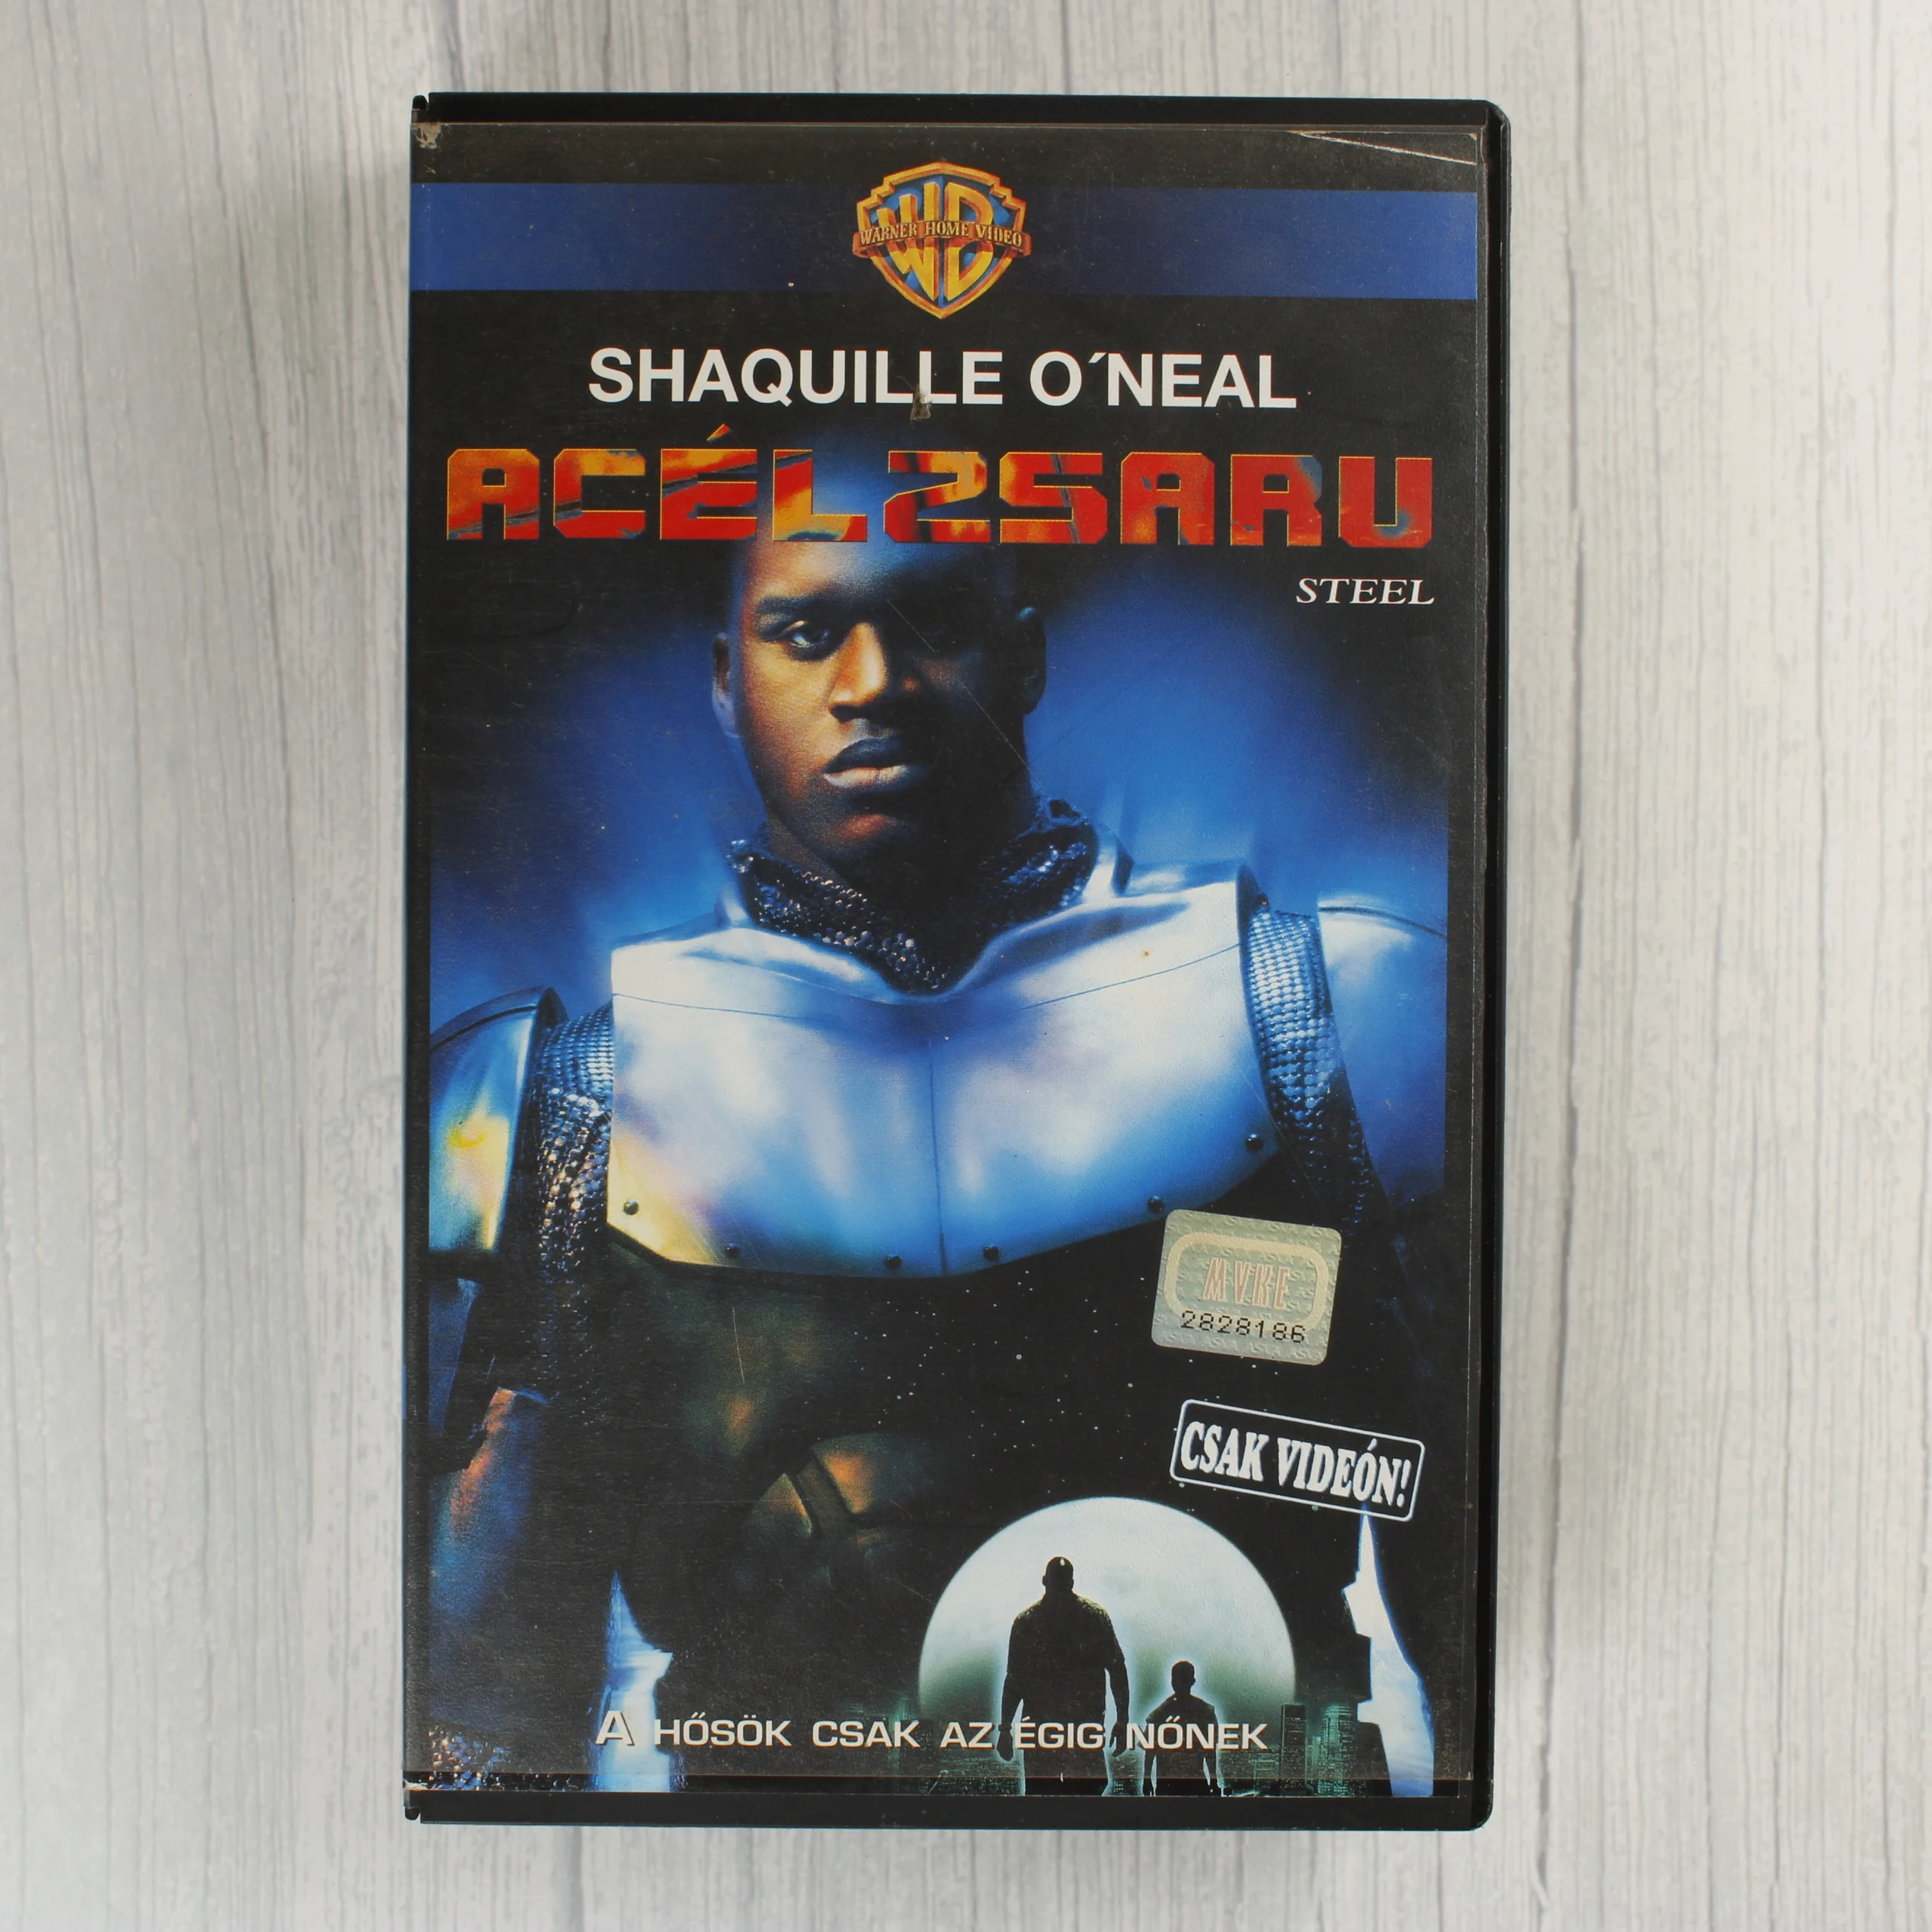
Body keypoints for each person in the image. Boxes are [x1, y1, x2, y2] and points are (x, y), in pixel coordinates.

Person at [421, 535, 1435, 1786]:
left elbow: (1470, 1558)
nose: (874, 685)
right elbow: (477, 1704)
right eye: (808, 633)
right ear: (728, 676)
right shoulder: (566, 1104)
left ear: (1026, 654)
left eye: (935, 622)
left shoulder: (1318, 1014)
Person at [996, 1558, 1130, 1796]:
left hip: (1053, 1731)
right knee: (1079, 1799)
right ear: (1071, 1582)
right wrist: (1122, 1720)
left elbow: (1015, 1680)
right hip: (1075, 1730)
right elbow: (1117, 1670)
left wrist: (1005, 1728)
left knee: (1051, 1800)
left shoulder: (1028, 1621)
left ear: (1044, 1581)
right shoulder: (1093, 1617)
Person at [1140, 1661, 1220, 1796]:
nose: (1177, 1683)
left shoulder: (1161, 1713)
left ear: (1192, 1681)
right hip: (1179, 1783)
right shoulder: (1204, 1711)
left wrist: (1147, 1780)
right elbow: (1210, 1752)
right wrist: (1213, 1781)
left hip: (1178, 1783)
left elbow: (1150, 1751)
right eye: (1176, 1679)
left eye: (1181, 1679)